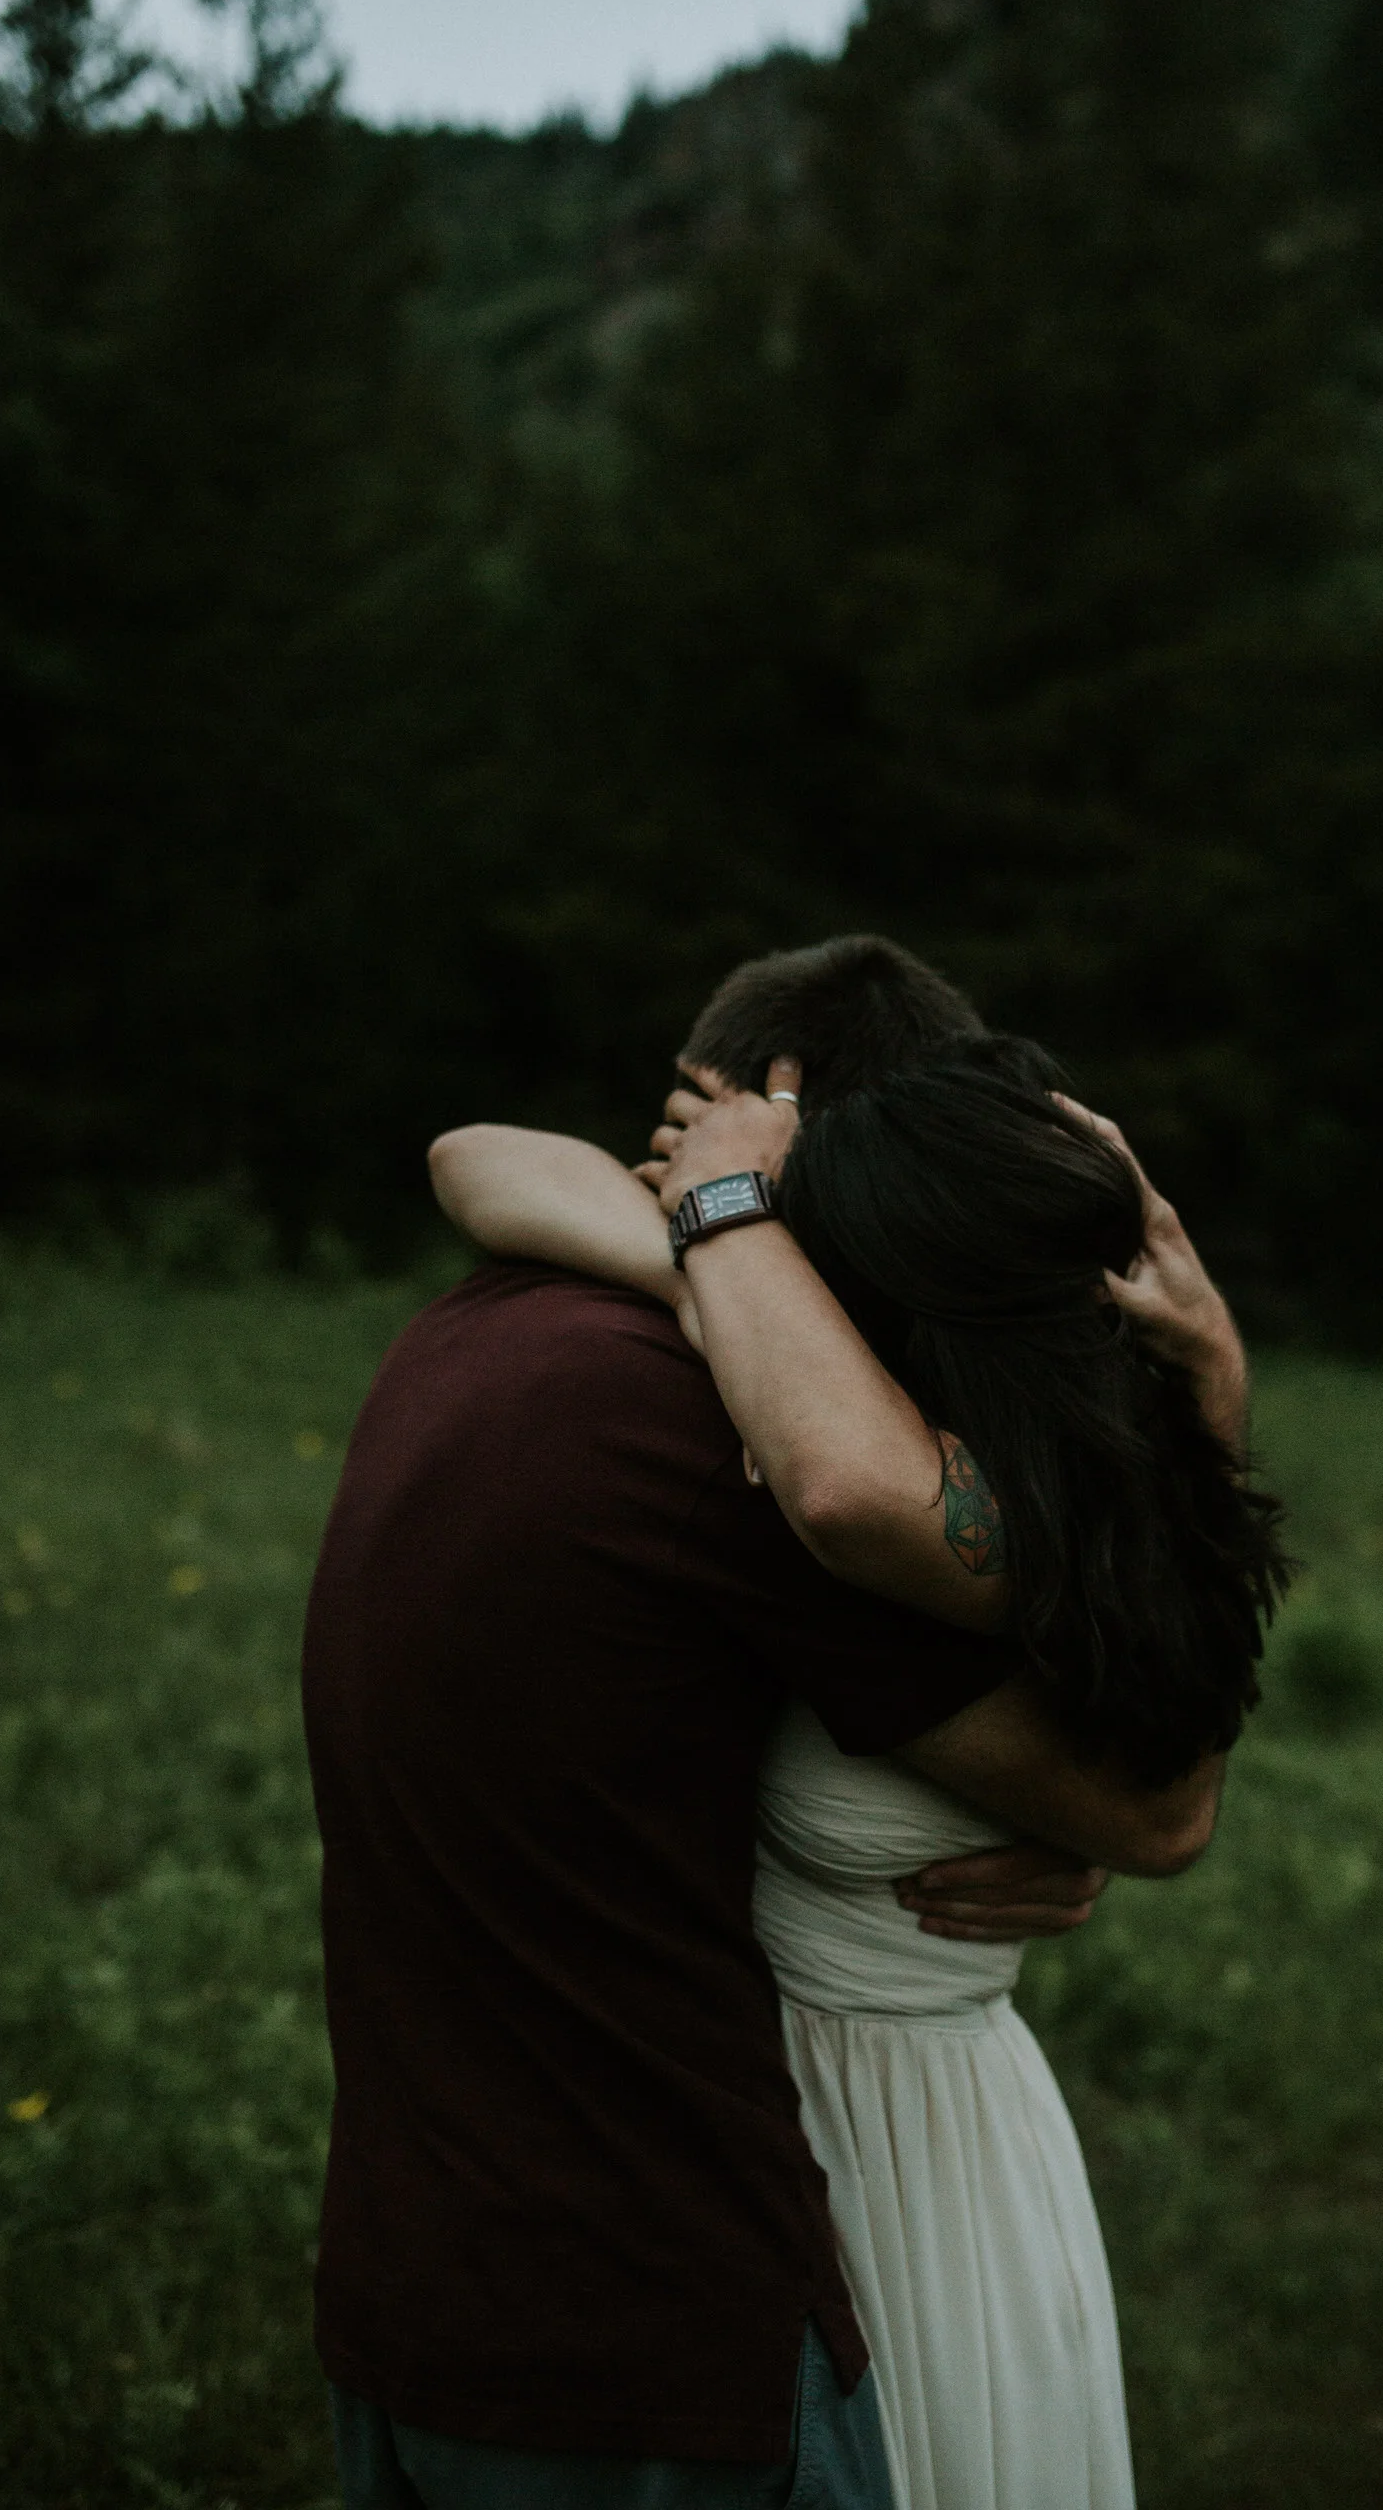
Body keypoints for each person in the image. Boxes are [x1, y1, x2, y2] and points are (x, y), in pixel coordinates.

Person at [424, 945, 1284, 2509]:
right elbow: (471, 1155)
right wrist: (716, 1250)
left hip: (883, 2152)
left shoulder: (914, 1471)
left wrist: (728, 1234)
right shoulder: (827, 1347)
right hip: (833, 2137)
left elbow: (1151, 1788)